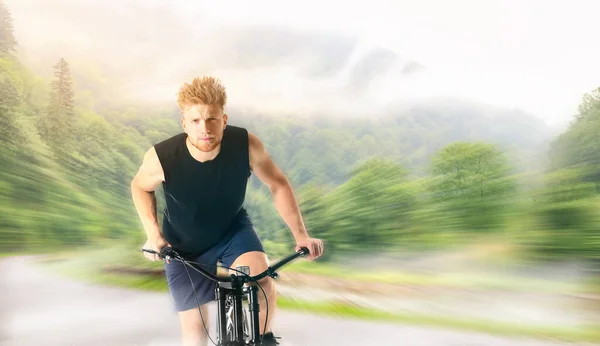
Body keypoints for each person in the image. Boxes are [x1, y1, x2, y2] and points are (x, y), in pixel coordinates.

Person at [130, 76, 324, 346]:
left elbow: (277, 184)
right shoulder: (161, 157)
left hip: (232, 231)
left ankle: (264, 339)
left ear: (224, 118)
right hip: (184, 244)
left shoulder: (246, 144)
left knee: (260, 280)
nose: (205, 128)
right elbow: (140, 187)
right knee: (195, 335)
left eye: (212, 119)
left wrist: (301, 235)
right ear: (184, 123)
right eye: (195, 121)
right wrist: (153, 235)